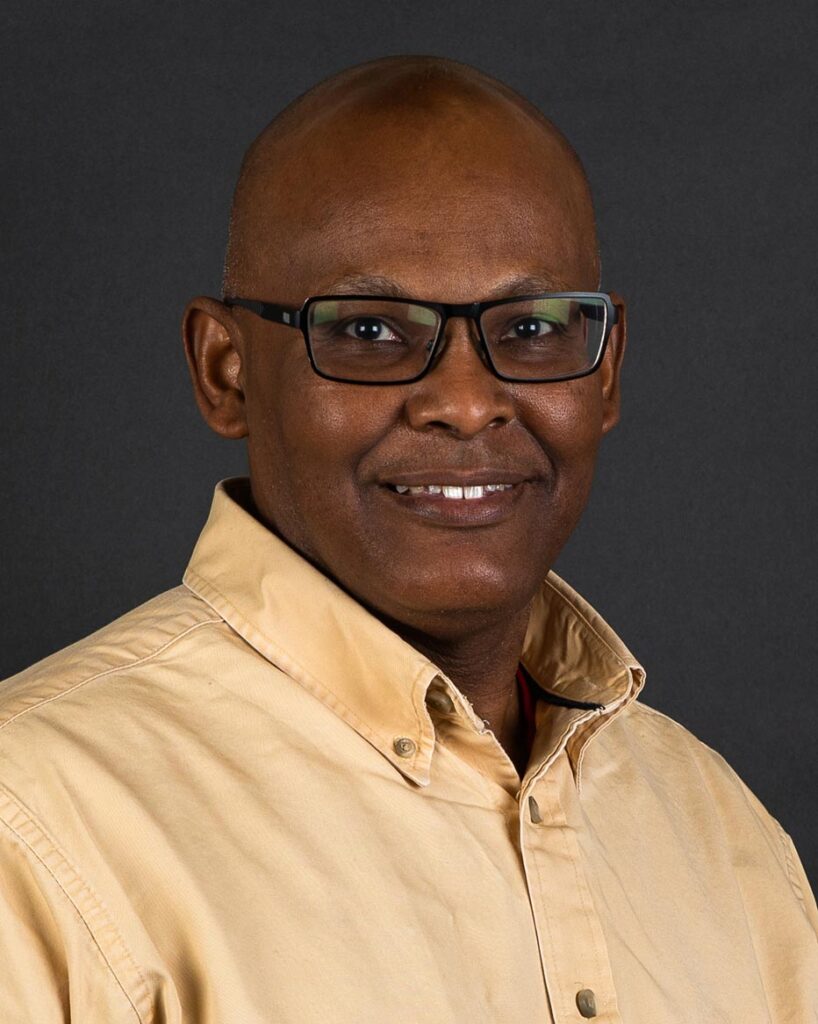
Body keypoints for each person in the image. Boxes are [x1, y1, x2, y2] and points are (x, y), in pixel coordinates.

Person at [1, 55, 815, 1023]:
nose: (467, 403)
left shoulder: (723, 840)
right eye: (370, 333)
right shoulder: (36, 829)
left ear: (604, 374)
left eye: (533, 325)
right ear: (224, 371)